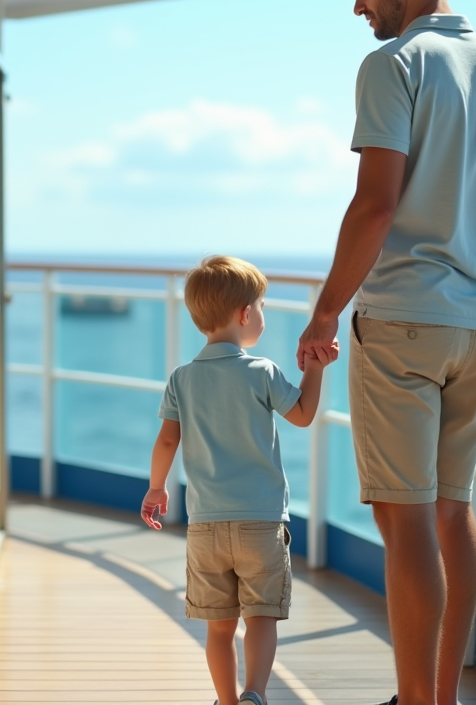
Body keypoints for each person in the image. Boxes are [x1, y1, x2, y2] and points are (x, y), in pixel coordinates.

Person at [295, 0, 476, 705]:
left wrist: (327, 310)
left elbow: (374, 206)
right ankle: (437, 693)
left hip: (401, 322)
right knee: (452, 510)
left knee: (405, 523)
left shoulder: (394, 65)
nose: (358, 7)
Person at [140, 255, 332, 705]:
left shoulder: (182, 378)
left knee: (219, 626)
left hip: (205, 525)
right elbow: (302, 416)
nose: (262, 315)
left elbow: (167, 443)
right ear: (245, 314)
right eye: (261, 306)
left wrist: (156, 487)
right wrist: (316, 368)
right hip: (261, 523)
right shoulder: (261, 372)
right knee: (261, 617)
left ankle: (227, 701)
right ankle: (256, 694)